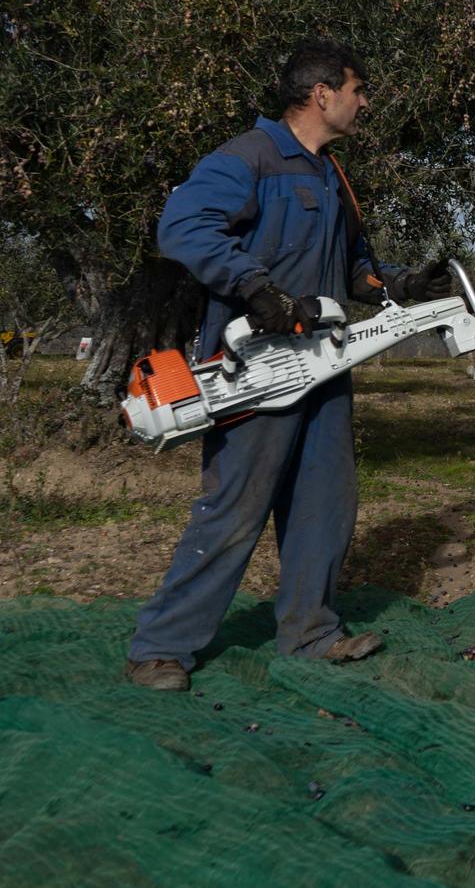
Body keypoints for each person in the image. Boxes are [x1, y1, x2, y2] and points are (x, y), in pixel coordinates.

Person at [125, 38, 453, 690]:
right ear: (321, 93)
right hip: (253, 367)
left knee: (325, 500)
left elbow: (354, 269)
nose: (365, 103)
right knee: (235, 505)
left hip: (325, 365)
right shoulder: (250, 157)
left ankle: (309, 633)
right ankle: (159, 647)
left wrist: (406, 280)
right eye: (358, 90)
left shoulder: (332, 176)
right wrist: (254, 285)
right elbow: (182, 225)